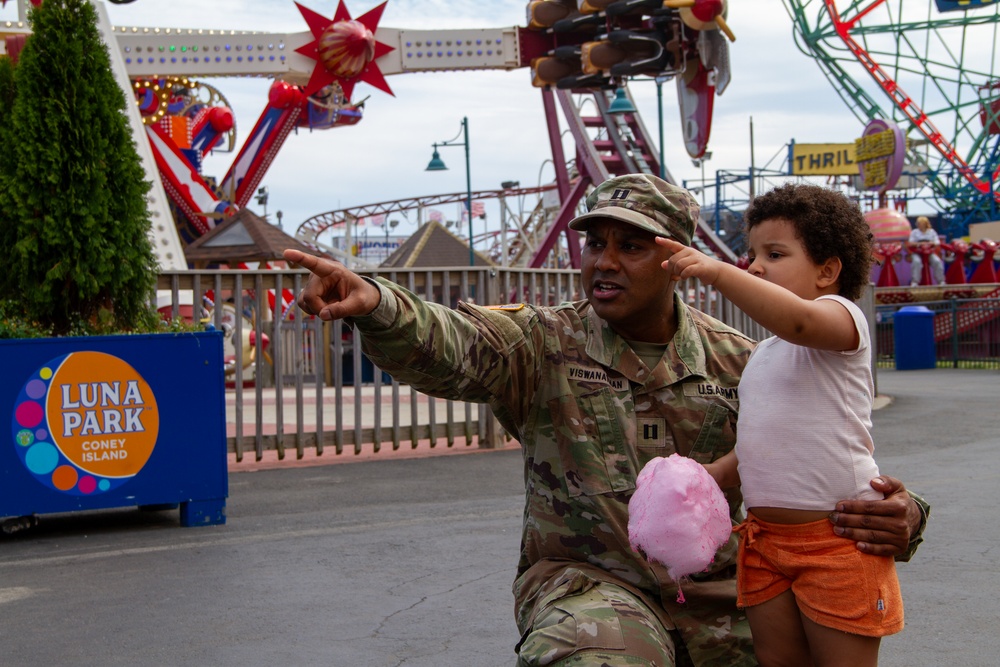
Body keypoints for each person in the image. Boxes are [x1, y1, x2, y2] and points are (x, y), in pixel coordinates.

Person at [283, 173, 928, 667]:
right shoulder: (542, 344)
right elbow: (452, 342)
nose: (604, 261)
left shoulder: (744, 361)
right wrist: (378, 307)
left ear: (676, 260)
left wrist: (907, 512)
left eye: (631, 245)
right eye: (594, 243)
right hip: (592, 590)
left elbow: (824, 455)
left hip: (725, 602)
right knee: (598, 655)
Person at [659, 183, 902, 667]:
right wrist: (704, 476)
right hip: (765, 541)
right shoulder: (764, 355)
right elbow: (756, 447)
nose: (755, 265)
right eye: (751, 255)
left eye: (774, 253)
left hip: (835, 541)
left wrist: (716, 270)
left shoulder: (841, 322)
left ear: (827, 270)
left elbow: (799, 324)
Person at [907, 215, 944, 286]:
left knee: (937, 261)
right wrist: (920, 244)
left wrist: (930, 243)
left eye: (920, 223)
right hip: (917, 252)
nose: (919, 225)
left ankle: (941, 281)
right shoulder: (914, 232)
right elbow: (910, 243)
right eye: (918, 223)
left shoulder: (932, 232)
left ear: (925, 224)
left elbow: (937, 242)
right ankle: (915, 281)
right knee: (916, 262)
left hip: (929, 253)